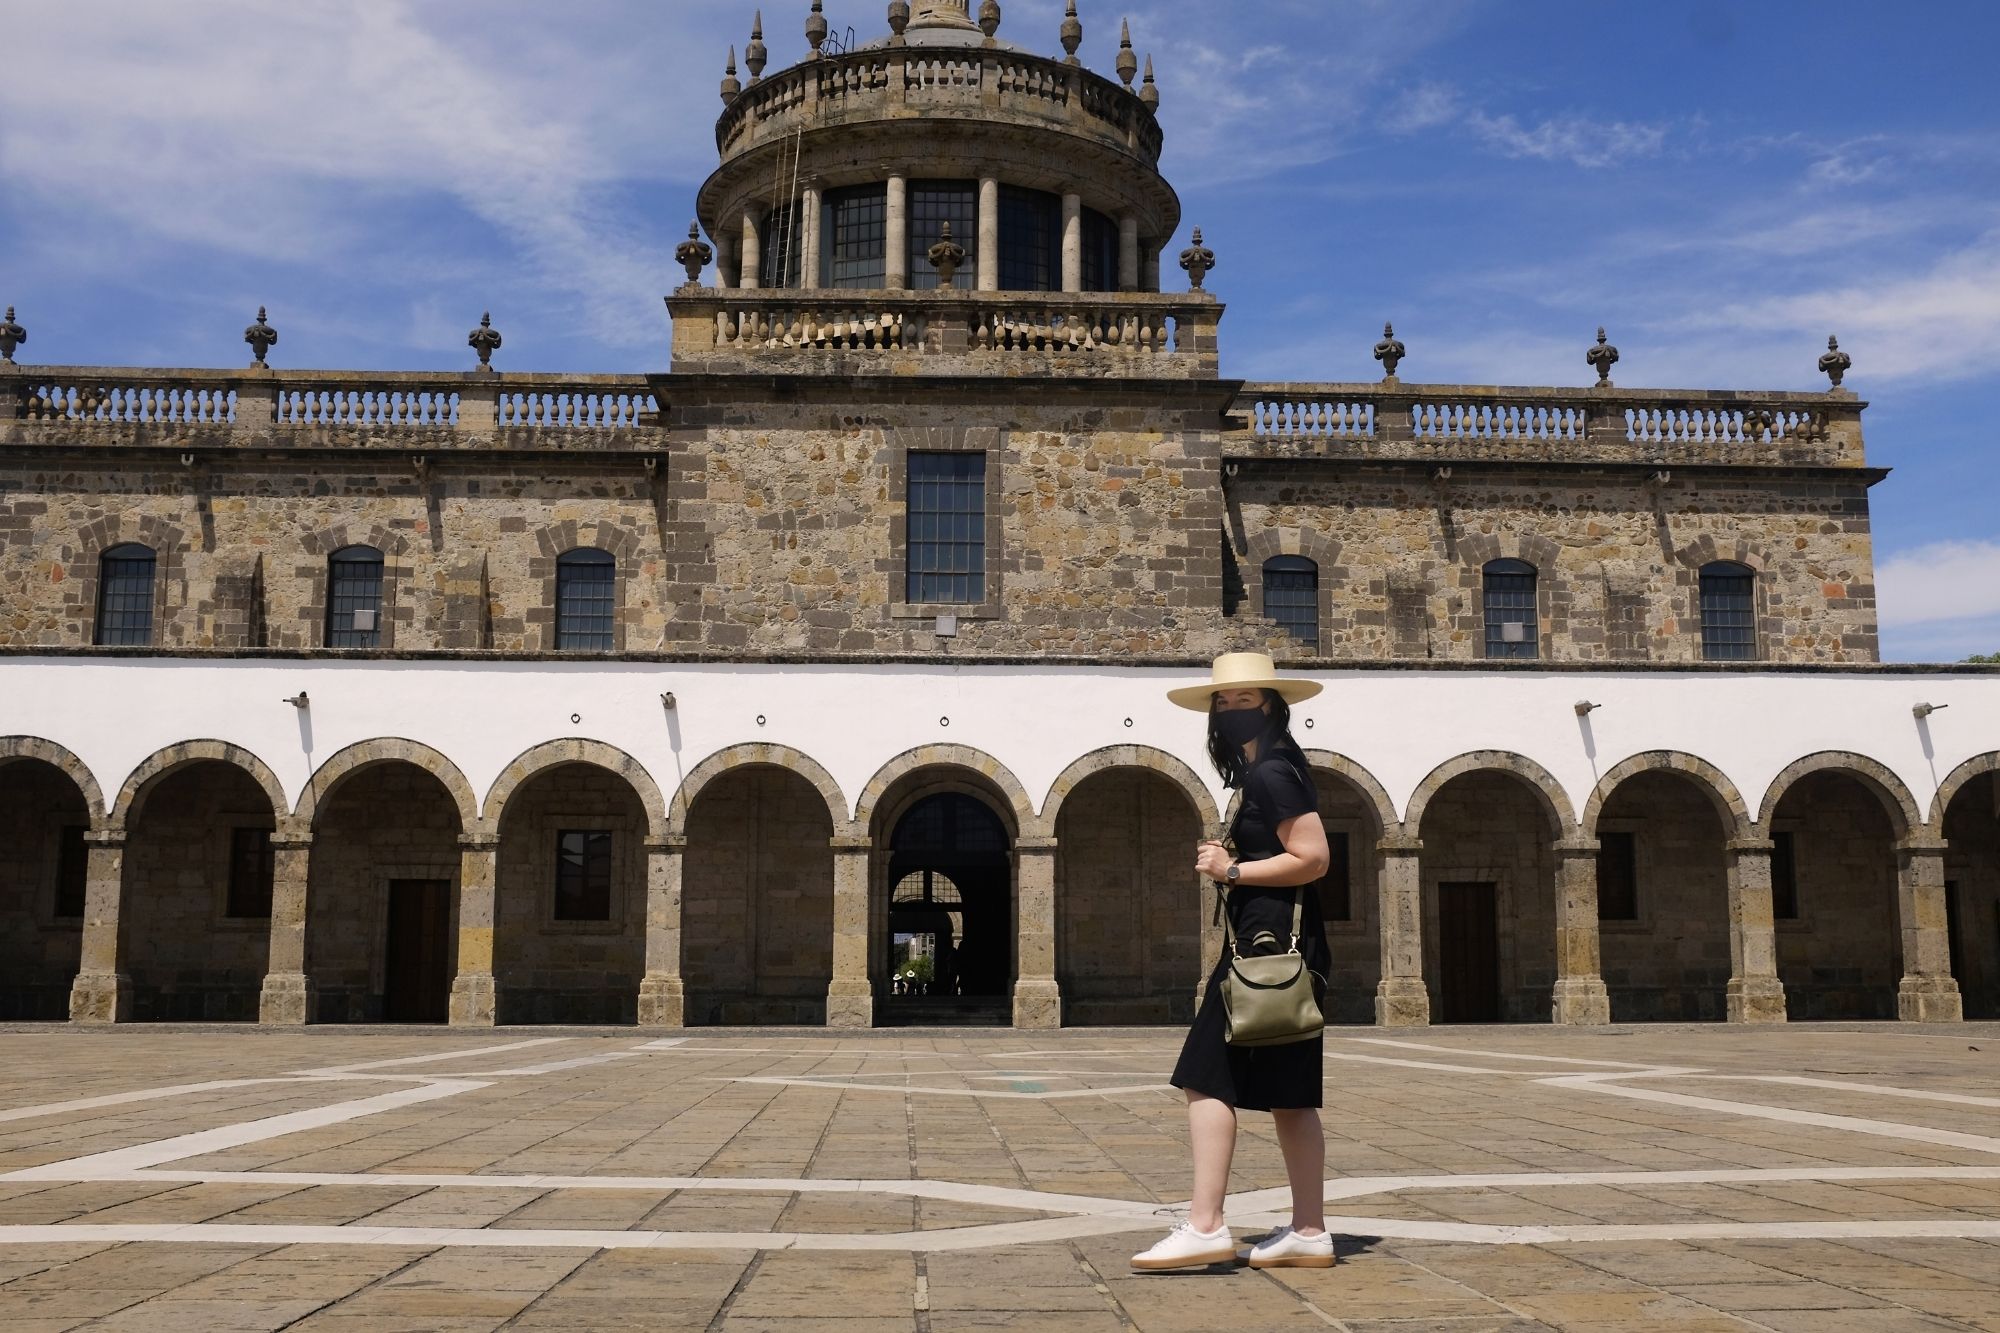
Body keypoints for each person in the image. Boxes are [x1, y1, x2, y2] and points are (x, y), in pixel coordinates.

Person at [1131, 652, 1335, 1272]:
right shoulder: (1271, 772)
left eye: (1244, 700)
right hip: (1282, 947)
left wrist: (1233, 868)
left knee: (1204, 1074)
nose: (1230, 710)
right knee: (1291, 1094)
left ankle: (1205, 1225)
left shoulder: (1272, 773)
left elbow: (1315, 857)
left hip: (1265, 949)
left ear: (1271, 706)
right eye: (1222, 701)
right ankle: (1308, 1231)